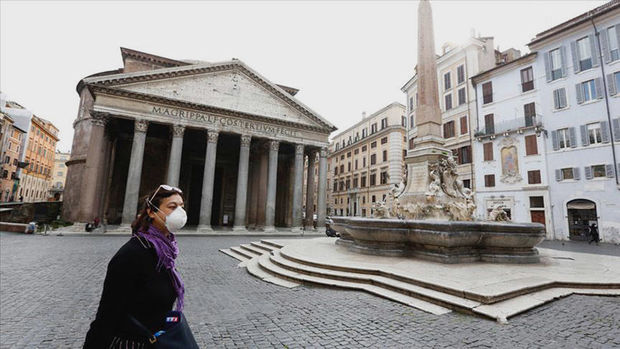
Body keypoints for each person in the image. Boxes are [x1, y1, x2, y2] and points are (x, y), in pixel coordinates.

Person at [83, 185, 187, 348]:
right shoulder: (133, 254)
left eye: (181, 206)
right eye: (172, 207)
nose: (180, 212)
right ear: (151, 212)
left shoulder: (165, 254)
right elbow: (107, 315)